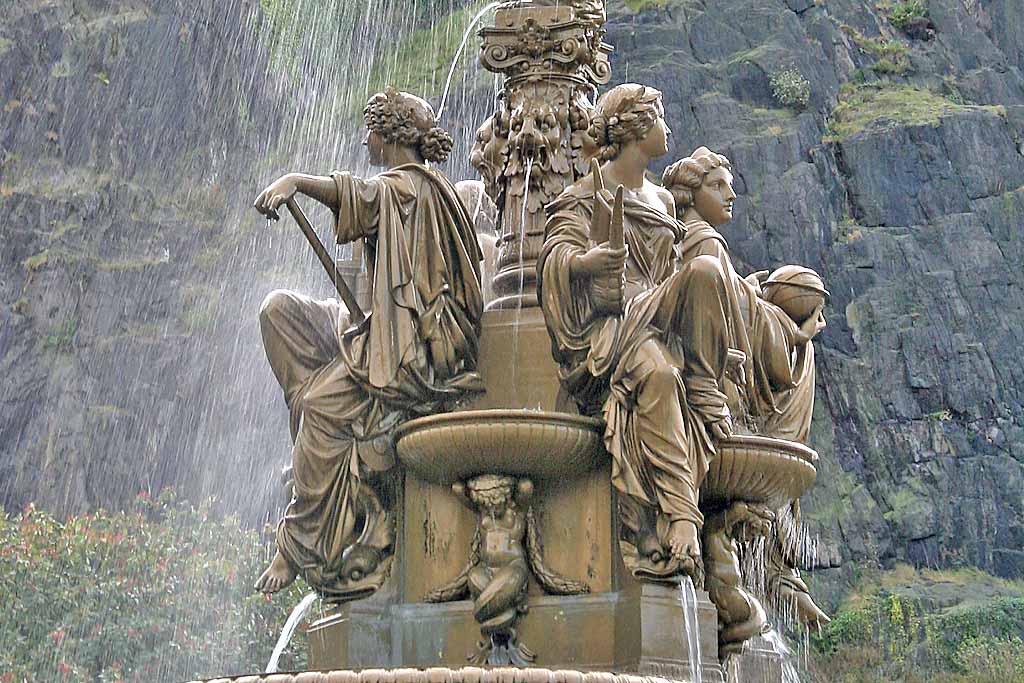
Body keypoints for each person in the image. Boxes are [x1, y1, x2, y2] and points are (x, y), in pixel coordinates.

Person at [252, 88, 485, 599]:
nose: (365, 139)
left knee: (320, 406)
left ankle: (299, 543)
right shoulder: (412, 187)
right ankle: (320, 426)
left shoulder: (411, 188)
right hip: (377, 329)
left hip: (409, 353)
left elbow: (356, 194)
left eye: (371, 130)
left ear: (390, 134)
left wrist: (296, 181)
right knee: (279, 312)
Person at [537, 83, 744, 577]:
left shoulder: (663, 201)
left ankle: (702, 377)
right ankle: (680, 518)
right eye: (660, 118)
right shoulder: (587, 191)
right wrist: (588, 261)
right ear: (635, 128)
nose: (668, 128)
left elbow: (672, 273)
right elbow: (553, 258)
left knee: (707, 270)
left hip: (655, 310)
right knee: (657, 375)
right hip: (613, 324)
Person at [663, 147, 831, 626]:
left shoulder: (695, 242)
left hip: (714, 365)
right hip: (719, 376)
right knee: (801, 362)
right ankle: (776, 572)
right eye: (718, 185)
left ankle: (774, 573)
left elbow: (733, 303)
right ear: (693, 193)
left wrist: (750, 291)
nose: (731, 193)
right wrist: (796, 335)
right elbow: (729, 320)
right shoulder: (705, 246)